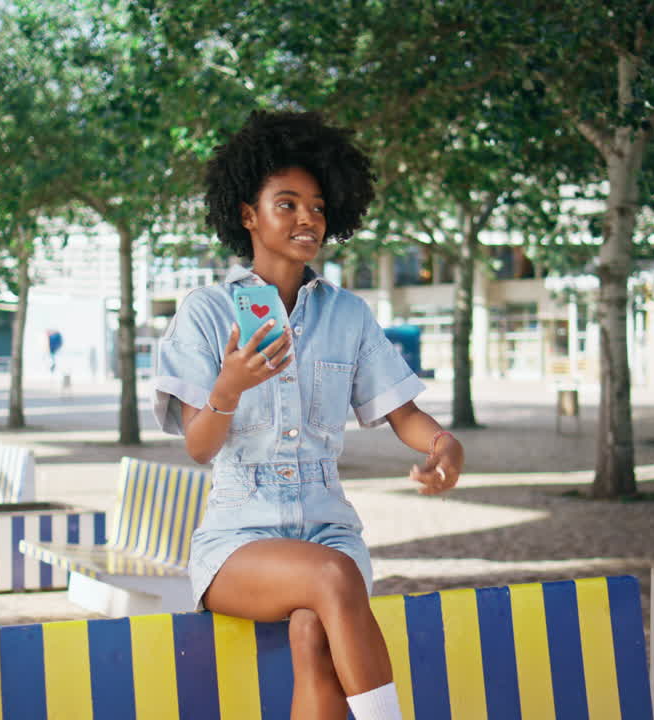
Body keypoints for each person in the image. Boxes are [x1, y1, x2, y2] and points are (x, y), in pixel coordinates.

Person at [154, 111, 465, 720]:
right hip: (240, 537)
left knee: (313, 636)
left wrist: (443, 444)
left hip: (330, 525)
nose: (307, 220)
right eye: (287, 204)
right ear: (248, 215)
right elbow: (198, 446)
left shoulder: (347, 314)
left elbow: (403, 414)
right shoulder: (206, 313)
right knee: (331, 578)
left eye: (318, 207)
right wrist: (230, 385)